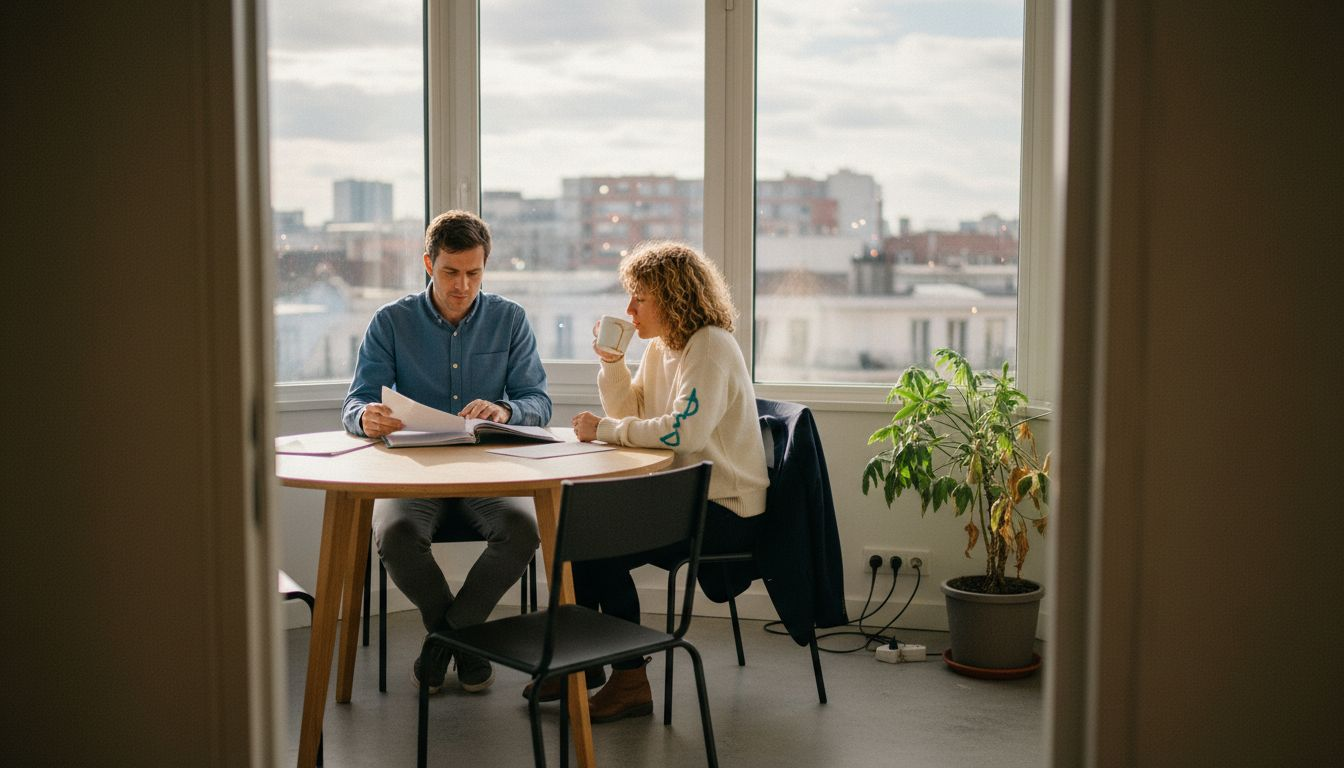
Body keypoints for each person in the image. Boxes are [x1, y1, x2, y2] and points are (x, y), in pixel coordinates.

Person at [555, 240, 770, 722]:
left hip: (726, 509)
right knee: (580, 540)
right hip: (686, 497)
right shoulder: (662, 347)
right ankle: (584, 664)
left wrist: (604, 430)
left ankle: (629, 679)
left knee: (596, 546)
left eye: (640, 298)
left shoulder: (709, 346)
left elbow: (683, 434)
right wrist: (613, 363)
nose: (629, 310)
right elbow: (630, 413)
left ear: (673, 298)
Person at [342, 209, 549, 695]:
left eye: (474, 273)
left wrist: (505, 410)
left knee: (522, 531)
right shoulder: (391, 321)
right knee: (394, 535)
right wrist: (366, 417)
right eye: (451, 272)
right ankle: (467, 645)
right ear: (428, 264)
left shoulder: (509, 319)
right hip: (414, 474)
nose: (463, 286)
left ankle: (442, 644)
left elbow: (538, 402)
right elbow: (355, 401)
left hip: (487, 473)